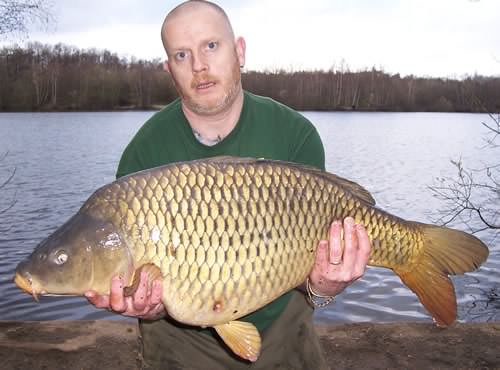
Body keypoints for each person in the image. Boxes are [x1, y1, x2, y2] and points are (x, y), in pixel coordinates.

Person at [85, 1, 372, 369]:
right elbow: (142, 287)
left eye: (211, 46)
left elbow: (307, 268)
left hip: (281, 325)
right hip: (181, 338)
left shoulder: (295, 136)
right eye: (181, 54)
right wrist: (150, 306)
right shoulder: (144, 154)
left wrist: (323, 286)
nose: (199, 65)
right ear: (169, 68)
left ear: (239, 51)